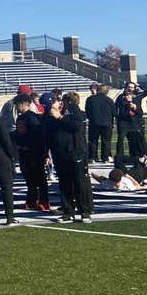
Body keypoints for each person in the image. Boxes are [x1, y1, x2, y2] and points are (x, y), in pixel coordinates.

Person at [48, 93, 93, 223]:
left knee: (80, 182)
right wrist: (47, 153)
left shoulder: (73, 109)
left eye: (53, 101)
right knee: (64, 183)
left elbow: (76, 126)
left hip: (75, 152)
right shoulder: (49, 115)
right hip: (59, 153)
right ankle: (68, 212)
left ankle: (84, 212)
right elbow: (47, 133)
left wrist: (60, 117)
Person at [12, 93, 50, 211]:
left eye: (17, 105)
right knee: (29, 178)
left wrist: (43, 154)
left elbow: (39, 137)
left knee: (39, 178)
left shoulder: (33, 118)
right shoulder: (20, 118)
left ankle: (44, 201)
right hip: (24, 153)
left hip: (34, 153)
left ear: (22, 104)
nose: (16, 108)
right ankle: (31, 200)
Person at [115, 82, 147, 162]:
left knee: (137, 138)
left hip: (135, 121)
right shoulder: (121, 98)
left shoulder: (137, 97)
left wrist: (139, 85)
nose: (130, 89)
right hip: (124, 122)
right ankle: (119, 156)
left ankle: (141, 154)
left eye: (132, 87)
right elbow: (120, 110)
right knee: (120, 139)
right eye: (129, 87)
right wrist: (129, 103)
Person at [85, 84, 116, 163]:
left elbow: (87, 111)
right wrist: (111, 121)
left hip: (94, 122)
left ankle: (92, 157)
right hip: (107, 123)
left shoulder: (90, 99)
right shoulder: (109, 100)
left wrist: (91, 119)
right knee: (106, 141)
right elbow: (114, 112)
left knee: (93, 140)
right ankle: (105, 157)